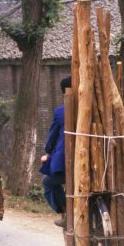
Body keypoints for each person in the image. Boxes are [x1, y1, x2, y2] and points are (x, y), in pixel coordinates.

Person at [40, 76, 71, 228]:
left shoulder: (61, 112)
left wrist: (48, 153)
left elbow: (52, 139)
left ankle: (66, 213)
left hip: (68, 163)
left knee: (48, 182)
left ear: (64, 93)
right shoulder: (98, 107)